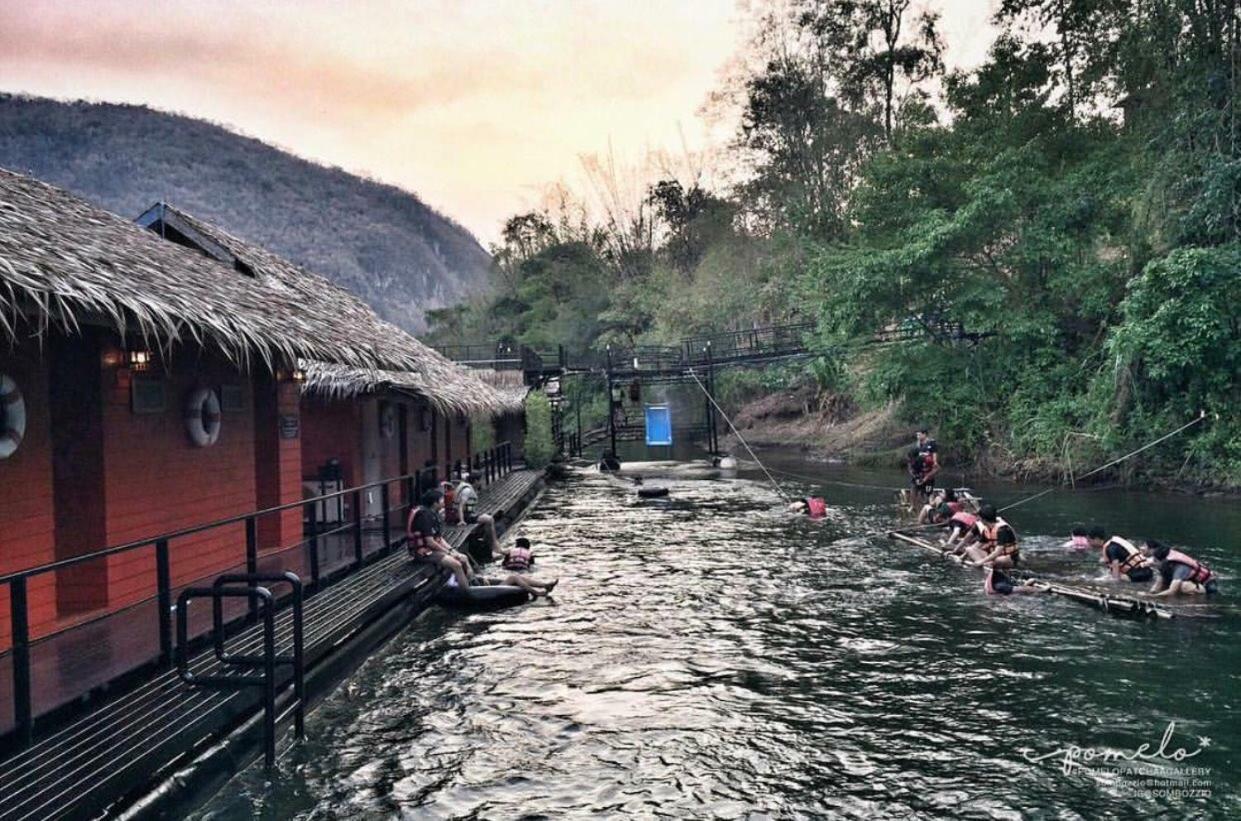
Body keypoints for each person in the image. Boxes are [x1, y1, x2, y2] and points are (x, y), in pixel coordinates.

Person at [407, 488, 474, 589]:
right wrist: (450, 554)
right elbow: (430, 542)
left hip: (432, 550)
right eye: (441, 500)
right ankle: (467, 592)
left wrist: (453, 551)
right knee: (456, 564)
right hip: (423, 553)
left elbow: (439, 538)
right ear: (435, 503)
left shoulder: (433, 514)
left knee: (463, 557)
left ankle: (471, 583)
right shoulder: (425, 516)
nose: (444, 502)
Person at [1146, 540, 1218, 596]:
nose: (1153, 562)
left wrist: (1153, 597)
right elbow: (1157, 585)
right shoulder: (1164, 566)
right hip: (1191, 581)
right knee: (1165, 585)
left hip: (1207, 586)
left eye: (1155, 561)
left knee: (1183, 587)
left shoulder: (1180, 568)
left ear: (1163, 560)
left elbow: (1172, 591)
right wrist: (1150, 593)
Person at [1086, 526, 1153, 583]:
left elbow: (1115, 576)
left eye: (1089, 541)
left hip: (1141, 574)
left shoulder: (1110, 548)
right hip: (1147, 571)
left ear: (1097, 539)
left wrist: (1112, 581)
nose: (1089, 544)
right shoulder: (1114, 541)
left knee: (1104, 579)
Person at [454, 473, 499, 556]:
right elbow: (461, 506)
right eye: (480, 480)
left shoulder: (465, 487)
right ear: (475, 481)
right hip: (465, 516)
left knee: (487, 516)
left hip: (467, 514)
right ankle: (495, 546)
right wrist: (461, 520)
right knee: (490, 519)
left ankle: (489, 545)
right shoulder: (467, 490)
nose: (481, 482)